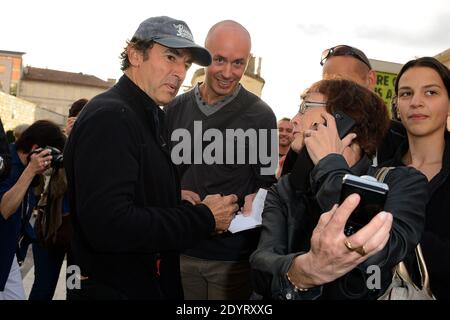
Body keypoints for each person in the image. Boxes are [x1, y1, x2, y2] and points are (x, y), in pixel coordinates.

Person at [63, 16, 238, 300]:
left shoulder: (145, 114)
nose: (179, 73)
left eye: (186, 64)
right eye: (170, 57)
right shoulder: (112, 117)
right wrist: (203, 218)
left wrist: (170, 199)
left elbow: (123, 195)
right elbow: (109, 225)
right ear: (135, 54)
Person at [250, 79, 428, 300]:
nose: (295, 120)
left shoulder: (403, 181)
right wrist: (302, 271)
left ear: (344, 120)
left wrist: (329, 164)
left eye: (305, 108)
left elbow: (378, 250)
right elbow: (260, 267)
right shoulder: (286, 188)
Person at [165, 20, 277, 300]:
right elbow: (159, 175)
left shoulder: (261, 115)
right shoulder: (174, 108)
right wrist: (173, 194)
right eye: (219, 60)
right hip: (179, 248)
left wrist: (257, 199)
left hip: (232, 259)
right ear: (204, 56)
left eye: (238, 63)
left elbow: (266, 183)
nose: (228, 72)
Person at [383, 57, 450, 299]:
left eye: (431, 92)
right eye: (406, 93)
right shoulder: (379, 175)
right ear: (397, 105)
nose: (416, 102)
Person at [0, 120, 64, 300]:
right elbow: (5, 209)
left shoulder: (25, 168)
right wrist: (31, 171)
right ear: (36, 149)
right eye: (49, 156)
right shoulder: (6, 165)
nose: (49, 164)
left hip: (8, 253)